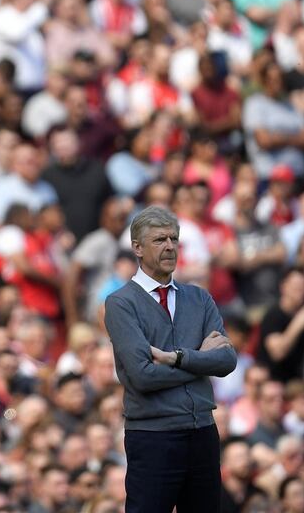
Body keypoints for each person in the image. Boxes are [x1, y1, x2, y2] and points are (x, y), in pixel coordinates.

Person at [105, 205, 237, 511]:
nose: (169, 246)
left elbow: (227, 361)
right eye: (160, 240)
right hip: (154, 437)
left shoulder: (199, 297)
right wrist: (201, 360)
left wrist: (177, 358)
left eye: (174, 239)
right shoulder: (121, 303)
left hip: (202, 432)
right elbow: (142, 376)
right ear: (136, 248)